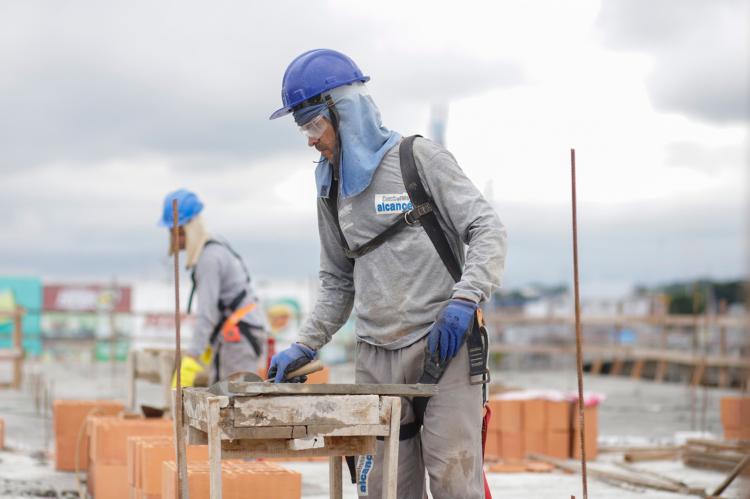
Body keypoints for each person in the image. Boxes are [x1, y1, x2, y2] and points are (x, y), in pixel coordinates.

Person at [267, 49, 506, 498]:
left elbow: (487, 228)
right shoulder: (330, 189)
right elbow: (338, 280)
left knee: (454, 480)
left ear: (345, 110)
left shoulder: (418, 160)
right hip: (377, 359)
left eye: (315, 124)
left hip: (444, 346)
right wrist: (306, 343)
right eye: (303, 128)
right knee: (383, 489)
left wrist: (464, 299)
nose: (310, 140)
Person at [160, 189, 267, 386]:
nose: (174, 240)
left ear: (188, 230)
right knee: (222, 398)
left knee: (232, 403)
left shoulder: (209, 259)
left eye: (176, 233)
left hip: (239, 337)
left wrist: (191, 358)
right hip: (238, 334)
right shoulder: (213, 250)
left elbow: (206, 314)